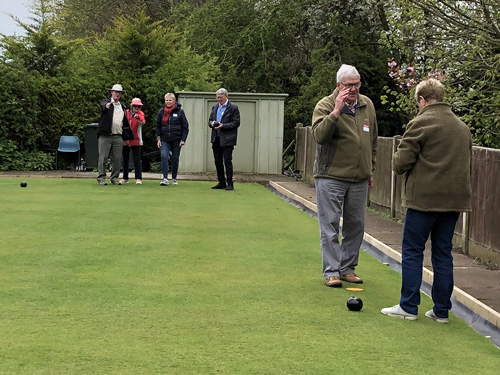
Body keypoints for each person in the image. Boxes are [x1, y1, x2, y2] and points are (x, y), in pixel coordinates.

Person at [381, 78, 472, 323]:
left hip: (424, 200)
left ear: (422, 100)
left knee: (413, 250)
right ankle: (442, 311)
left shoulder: (420, 123)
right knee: (443, 253)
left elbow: (400, 164)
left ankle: (408, 306)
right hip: (454, 201)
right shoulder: (462, 128)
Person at [311, 64, 378, 288]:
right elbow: (319, 136)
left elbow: (373, 141)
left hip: (359, 178)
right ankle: (331, 272)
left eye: (357, 84)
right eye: (349, 85)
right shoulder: (325, 105)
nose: (354, 89)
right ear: (339, 86)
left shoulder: (367, 105)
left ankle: (348, 268)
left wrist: (371, 169)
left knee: (355, 226)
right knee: (329, 226)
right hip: (331, 176)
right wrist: (336, 112)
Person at [97, 84, 134, 185]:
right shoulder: (105, 102)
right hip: (106, 135)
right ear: (111, 92)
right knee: (103, 158)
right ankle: (101, 178)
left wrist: (126, 136)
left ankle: (114, 178)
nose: (117, 94)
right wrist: (107, 106)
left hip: (118, 136)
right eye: (116, 92)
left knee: (117, 159)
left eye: (119, 93)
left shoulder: (122, 106)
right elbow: (103, 107)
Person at [208, 88, 240, 191]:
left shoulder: (233, 108)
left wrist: (223, 125)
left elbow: (236, 123)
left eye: (221, 98)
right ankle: (221, 182)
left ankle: (230, 183)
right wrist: (212, 123)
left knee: (227, 161)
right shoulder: (215, 107)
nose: (219, 100)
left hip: (228, 138)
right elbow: (210, 120)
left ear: (226, 96)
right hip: (216, 138)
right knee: (217, 161)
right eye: (218, 98)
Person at [156, 93, 189, 186]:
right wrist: (158, 138)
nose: (168, 102)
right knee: (164, 156)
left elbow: (185, 127)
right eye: (167, 100)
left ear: (174, 101)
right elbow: (158, 126)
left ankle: (174, 178)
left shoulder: (180, 112)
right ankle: (165, 178)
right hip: (165, 139)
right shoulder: (161, 111)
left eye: (170, 100)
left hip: (176, 139)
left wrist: (183, 139)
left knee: (175, 158)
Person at [120, 98, 146, 185]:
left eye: (138, 106)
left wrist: (138, 118)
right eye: (135, 106)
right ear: (131, 106)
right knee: (125, 159)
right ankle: (125, 178)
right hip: (126, 139)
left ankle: (138, 178)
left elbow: (142, 122)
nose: (136, 107)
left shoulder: (140, 114)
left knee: (137, 160)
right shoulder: (125, 113)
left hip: (136, 140)